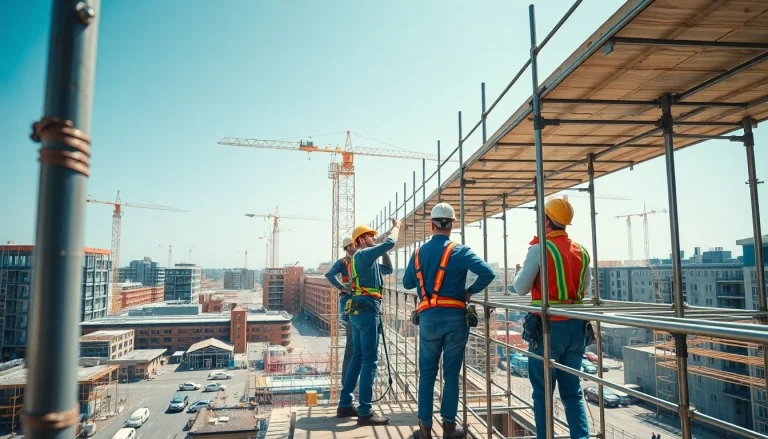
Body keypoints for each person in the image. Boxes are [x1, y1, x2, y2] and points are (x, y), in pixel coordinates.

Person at [403, 202, 495, 439]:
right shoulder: (460, 251)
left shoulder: (418, 253)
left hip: (429, 319)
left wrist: (425, 277)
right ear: (452, 225)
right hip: (455, 319)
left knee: (427, 374)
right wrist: (469, 291)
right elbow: (488, 273)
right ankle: (449, 429)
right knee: (451, 375)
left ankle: (424, 431)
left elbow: (406, 284)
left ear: (431, 224)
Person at [512, 197, 592, 439]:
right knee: (572, 392)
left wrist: (517, 275)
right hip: (576, 328)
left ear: (546, 220)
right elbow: (584, 290)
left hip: (547, 329)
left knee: (543, 393)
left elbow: (520, 288)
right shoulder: (582, 251)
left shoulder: (539, 249)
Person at [337, 219, 400, 426]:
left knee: (357, 357)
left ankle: (345, 404)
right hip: (366, 311)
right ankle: (365, 412)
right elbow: (390, 243)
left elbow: (388, 269)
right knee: (369, 361)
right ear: (362, 239)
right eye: (371, 236)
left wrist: (380, 249)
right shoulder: (363, 255)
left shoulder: (365, 260)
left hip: (359, 310)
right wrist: (396, 228)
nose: (374, 238)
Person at [324, 236, 357, 384]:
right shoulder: (343, 262)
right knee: (351, 345)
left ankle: (350, 381)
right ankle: (346, 382)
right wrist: (342, 287)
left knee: (355, 345)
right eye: (353, 245)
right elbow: (329, 274)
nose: (356, 247)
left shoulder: (358, 260)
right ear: (348, 247)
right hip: (348, 302)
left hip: (355, 301)